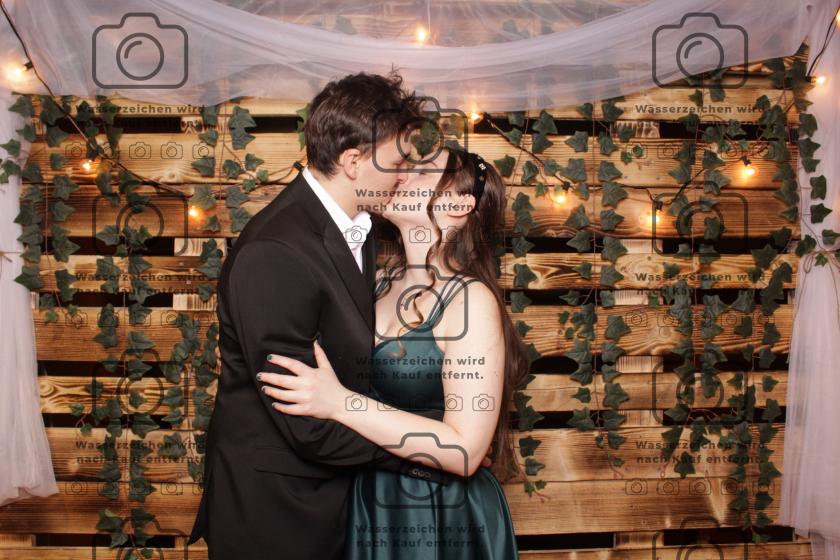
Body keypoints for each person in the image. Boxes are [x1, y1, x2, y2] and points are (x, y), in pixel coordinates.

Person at [187, 72, 485, 560]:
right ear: (353, 161)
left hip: (338, 503)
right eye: (397, 162)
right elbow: (306, 425)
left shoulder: (357, 229)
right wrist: (434, 451)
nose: (403, 175)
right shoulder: (276, 251)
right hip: (277, 513)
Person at [258, 146, 529, 558]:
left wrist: (341, 403)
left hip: (439, 512)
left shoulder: (469, 301)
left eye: (421, 172)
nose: (400, 175)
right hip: (365, 498)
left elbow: (465, 452)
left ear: (459, 204)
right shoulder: (374, 281)